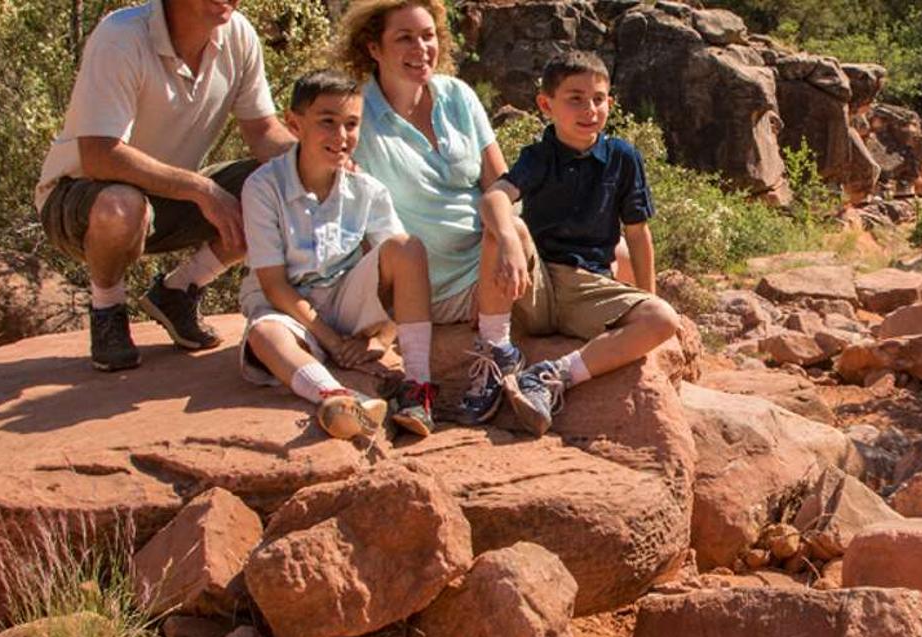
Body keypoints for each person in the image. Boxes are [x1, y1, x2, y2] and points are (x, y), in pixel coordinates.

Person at [36, 0, 295, 372]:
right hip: (79, 200)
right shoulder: (122, 36)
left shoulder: (239, 35)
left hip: (166, 196)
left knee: (278, 184)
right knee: (121, 204)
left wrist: (317, 161)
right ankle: (107, 309)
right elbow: (100, 156)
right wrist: (202, 190)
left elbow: (263, 131)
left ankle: (179, 291)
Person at [338, 0, 535, 427]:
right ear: (374, 48)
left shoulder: (458, 96)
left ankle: (497, 349)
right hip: (418, 285)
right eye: (404, 38)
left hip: (486, 264)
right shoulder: (357, 116)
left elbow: (500, 181)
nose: (421, 47)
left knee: (512, 223)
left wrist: (502, 244)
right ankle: (432, 382)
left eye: (427, 36)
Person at [488, 50, 682, 436]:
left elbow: (637, 232)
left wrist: (646, 299)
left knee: (662, 319)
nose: (589, 109)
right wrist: (508, 238)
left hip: (587, 287)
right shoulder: (539, 156)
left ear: (610, 103)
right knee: (503, 222)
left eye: (598, 99)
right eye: (574, 98)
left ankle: (552, 375)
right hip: (536, 284)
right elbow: (495, 195)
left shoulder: (622, 158)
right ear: (547, 105)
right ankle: (493, 352)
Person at [236, 70, 435, 441]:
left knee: (408, 248)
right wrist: (332, 341)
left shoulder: (367, 190)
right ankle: (336, 398)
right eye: (327, 122)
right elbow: (274, 284)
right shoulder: (264, 187)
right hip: (286, 307)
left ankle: (417, 389)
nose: (341, 136)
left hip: (344, 299)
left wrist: (380, 342)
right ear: (294, 124)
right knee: (264, 335)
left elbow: (399, 268)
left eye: (351, 124)